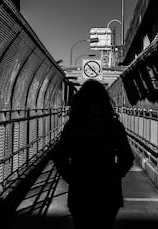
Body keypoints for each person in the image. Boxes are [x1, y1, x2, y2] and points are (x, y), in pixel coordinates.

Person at [53, 79, 134, 229]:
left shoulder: (73, 126)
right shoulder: (114, 126)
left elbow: (59, 156)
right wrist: (114, 176)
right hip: (108, 191)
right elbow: (127, 158)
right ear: (105, 101)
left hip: (80, 190)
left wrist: (72, 178)